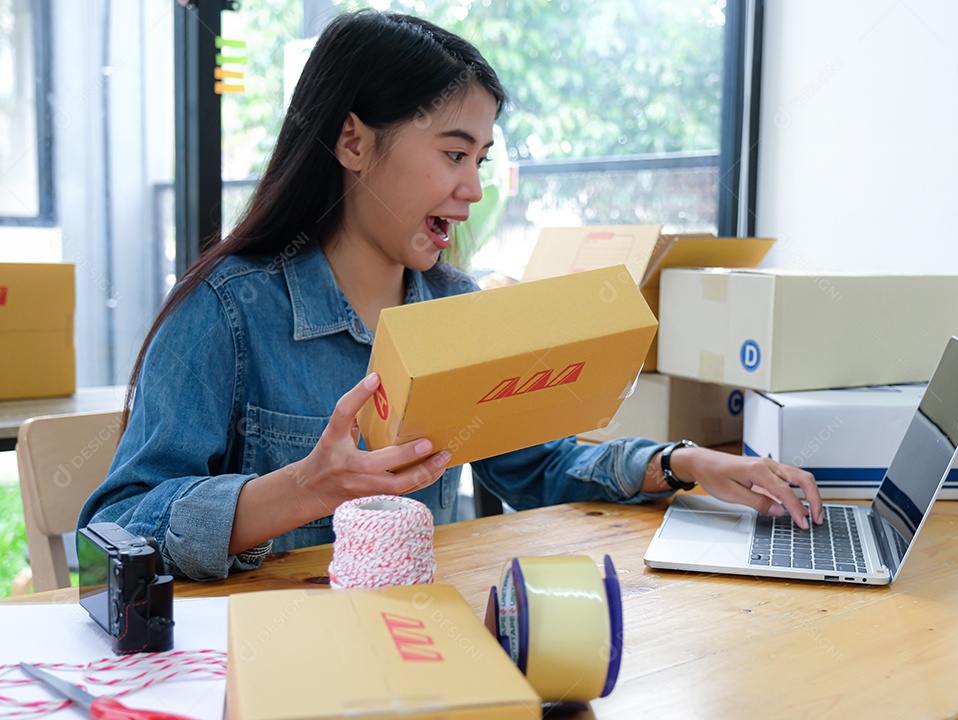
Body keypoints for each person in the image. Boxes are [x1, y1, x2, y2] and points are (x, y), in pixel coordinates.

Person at [79, 10, 823, 581]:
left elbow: (537, 466)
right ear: (353, 142)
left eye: (481, 159)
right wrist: (303, 488)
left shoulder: (456, 310)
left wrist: (687, 463)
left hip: (417, 651)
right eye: (454, 153)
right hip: (266, 667)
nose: (473, 188)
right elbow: (112, 530)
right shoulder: (226, 312)